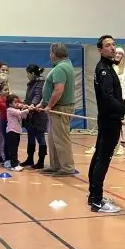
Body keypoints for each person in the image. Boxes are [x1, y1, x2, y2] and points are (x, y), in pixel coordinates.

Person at [88, 35, 125, 214]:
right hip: (109, 120)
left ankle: (93, 195)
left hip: (109, 119)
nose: (112, 48)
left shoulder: (108, 67)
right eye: (108, 46)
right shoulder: (104, 70)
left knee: (99, 155)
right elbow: (108, 99)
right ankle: (97, 201)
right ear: (100, 50)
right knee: (103, 158)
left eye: (113, 45)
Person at [39, 43, 77, 177]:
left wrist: (49, 106)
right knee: (53, 139)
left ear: (54, 53)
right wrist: (42, 104)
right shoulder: (64, 65)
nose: (50, 55)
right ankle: (56, 165)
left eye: (50, 53)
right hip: (56, 107)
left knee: (61, 139)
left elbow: (58, 90)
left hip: (60, 108)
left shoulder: (61, 68)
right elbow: (51, 90)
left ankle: (67, 167)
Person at [21, 64, 48, 169]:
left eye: (28, 73)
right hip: (30, 114)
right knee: (30, 137)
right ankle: (30, 159)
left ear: (32, 73)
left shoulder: (40, 83)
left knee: (40, 137)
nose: (27, 75)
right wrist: (23, 104)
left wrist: (33, 104)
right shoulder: (31, 83)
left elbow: (38, 95)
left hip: (38, 114)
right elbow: (29, 97)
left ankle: (41, 161)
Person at [3, 93, 28, 171]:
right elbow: (20, 113)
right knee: (13, 149)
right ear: (10, 104)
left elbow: (24, 116)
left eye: (17, 102)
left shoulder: (16, 110)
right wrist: (28, 109)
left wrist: (24, 109)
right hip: (11, 132)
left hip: (17, 132)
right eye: (15, 102)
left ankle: (14, 163)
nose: (17, 103)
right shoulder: (10, 110)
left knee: (15, 148)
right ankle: (14, 165)